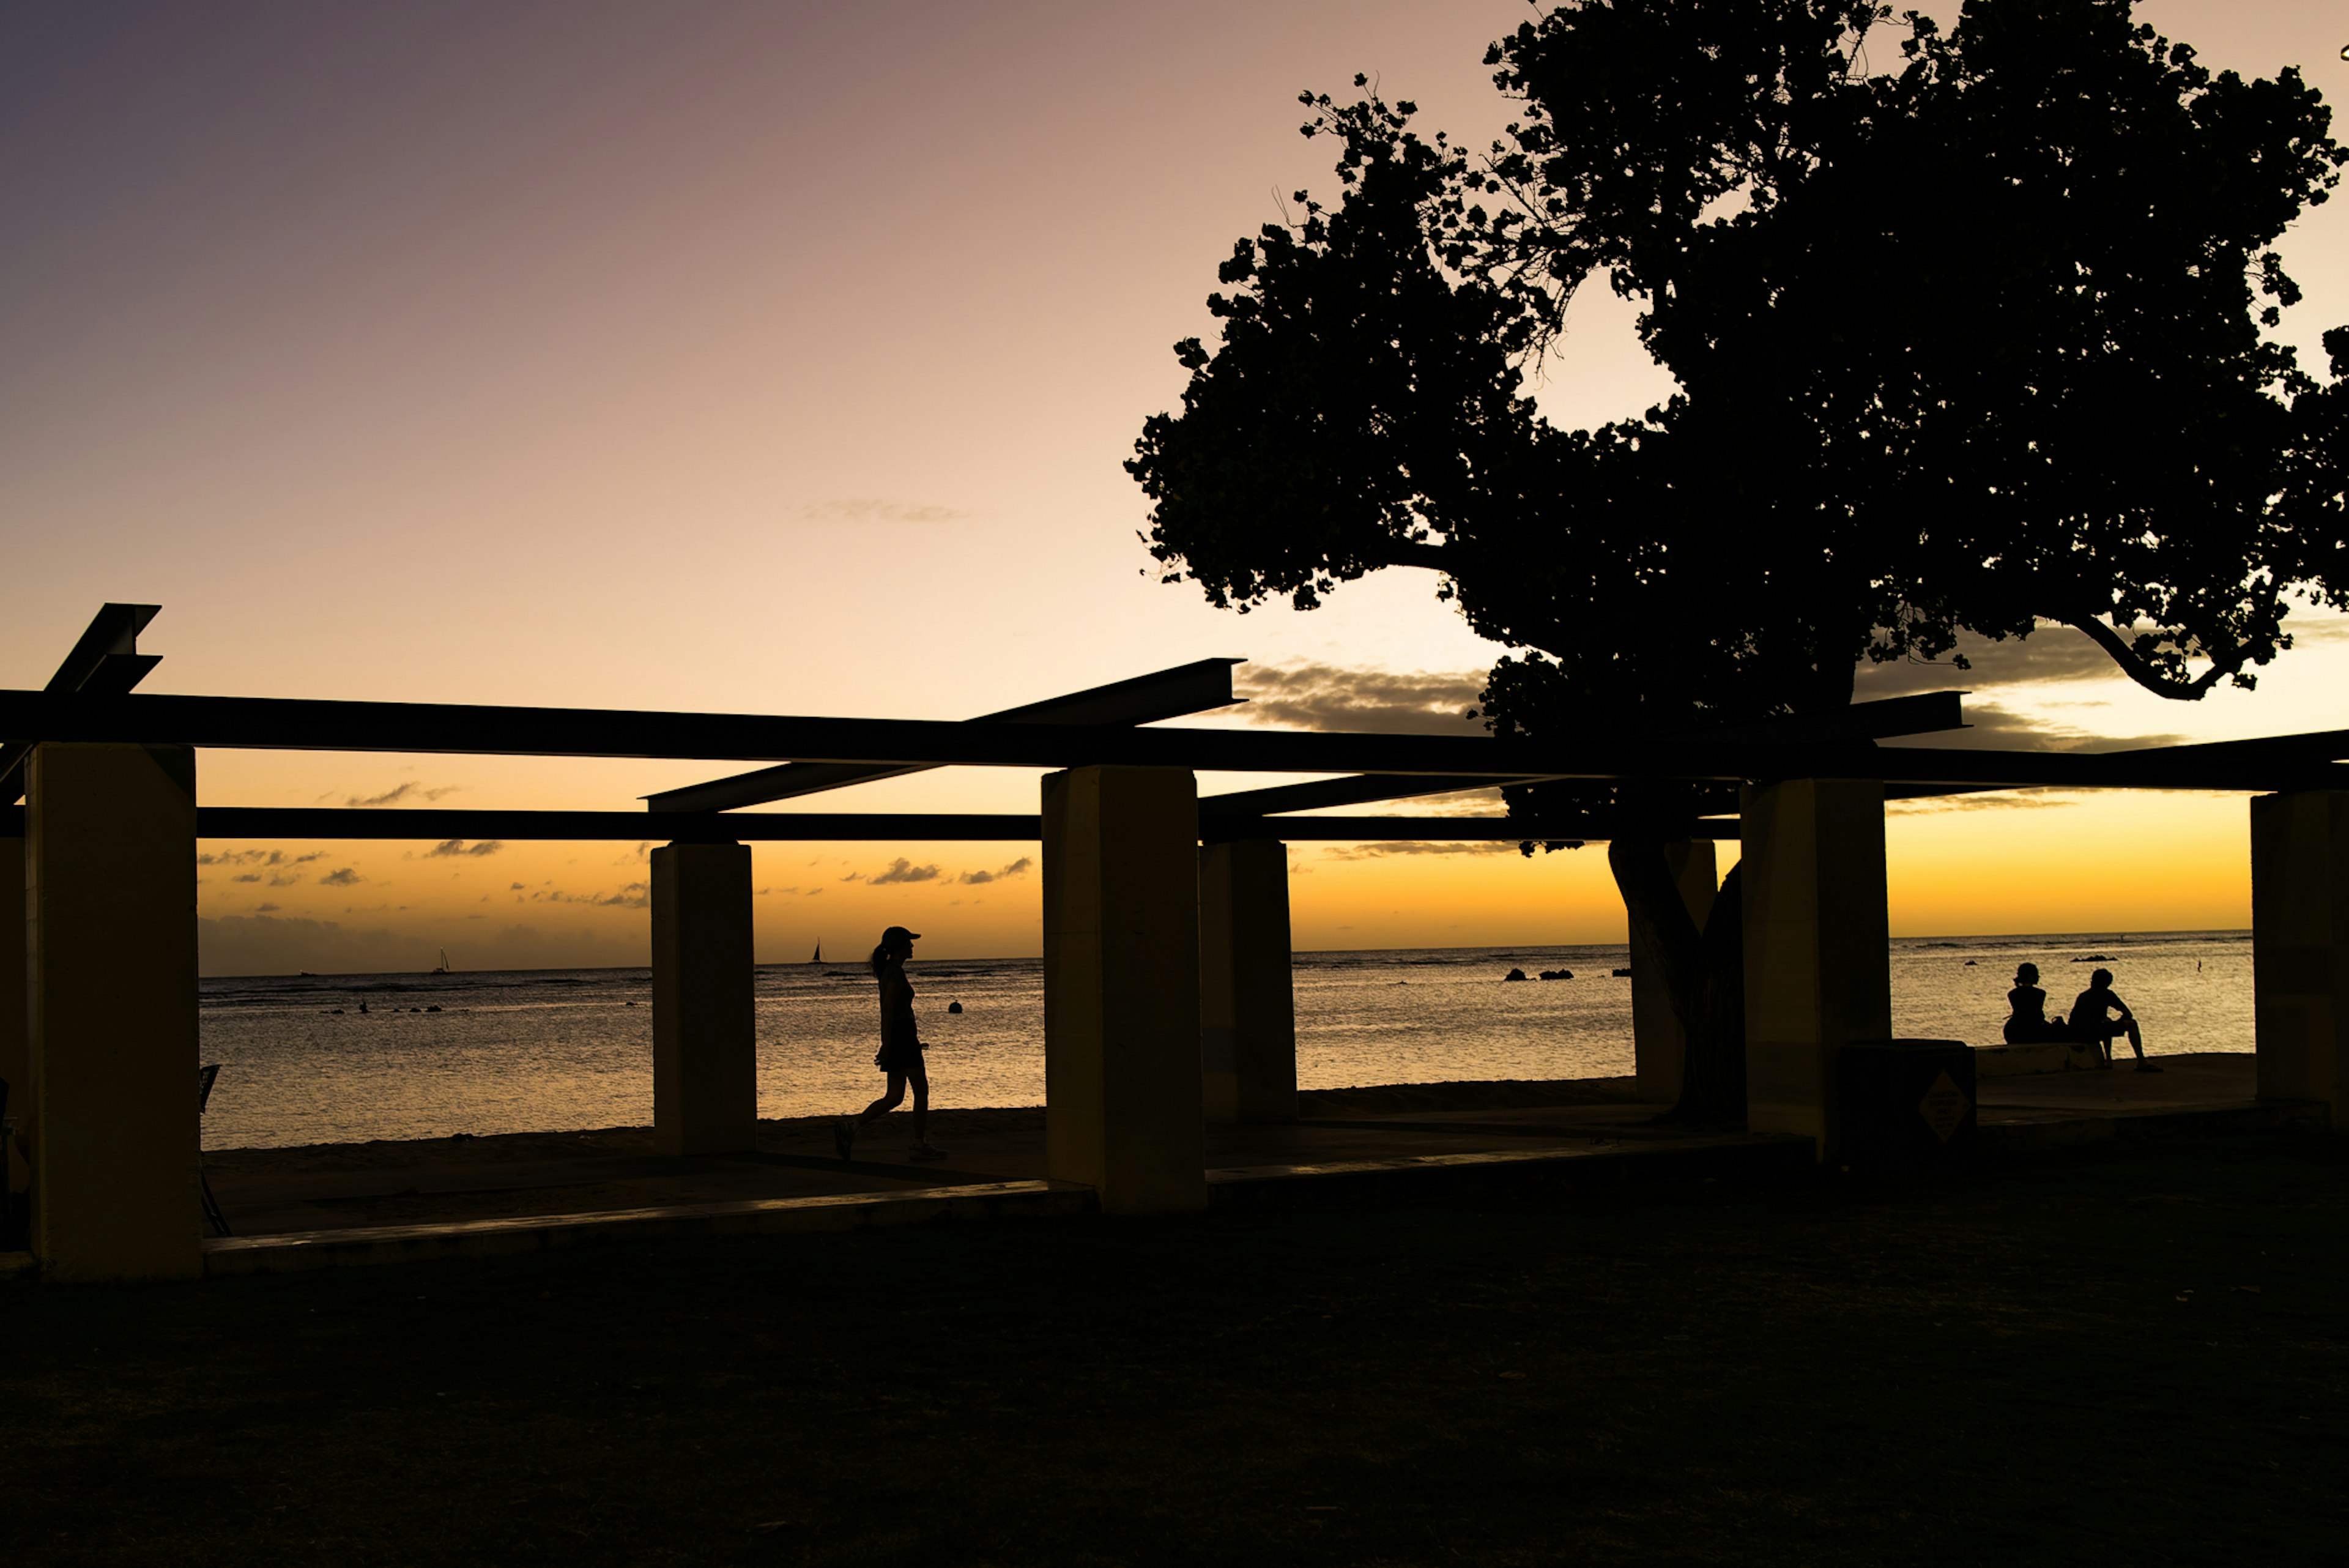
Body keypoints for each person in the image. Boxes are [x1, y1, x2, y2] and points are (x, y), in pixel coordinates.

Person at [835, 926, 949, 1161]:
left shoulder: (889, 970)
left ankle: (852, 1127)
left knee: (895, 1096)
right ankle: (919, 1145)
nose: (912, 946)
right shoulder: (895, 972)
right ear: (899, 947)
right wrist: (888, 1044)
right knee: (921, 1090)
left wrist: (890, 1042)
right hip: (902, 1036)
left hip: (901, 1036)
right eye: (909, 943)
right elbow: (888, 1008)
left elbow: (890, 1010)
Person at [2068, 967, 2158, 1072]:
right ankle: (2141, 1061)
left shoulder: (2083, 996)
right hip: (2093, 1032)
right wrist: (2120, 1021)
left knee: (2107, 1022)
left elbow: (2073, 1020)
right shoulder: (2107, 994)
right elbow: (2128, 1014)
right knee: (2132, 1024)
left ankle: (2109, 1060)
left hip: (2079, 1032)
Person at [2002, 963, 2065, 1044]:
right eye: (2036, 974)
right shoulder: (2040, 994)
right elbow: (2036, 1017)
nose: (2038, 977)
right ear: (2030, 976)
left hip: (2013, 1030)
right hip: (2031, 1030)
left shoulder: (2012, 994)